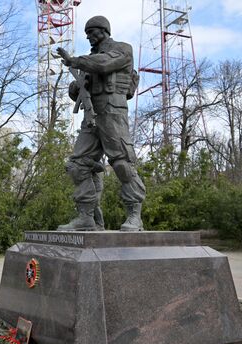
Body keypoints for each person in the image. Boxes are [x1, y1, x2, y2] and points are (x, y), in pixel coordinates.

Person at [56, 15, 145, 231]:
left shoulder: (122, 49)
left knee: (122, 162)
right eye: (87, 34)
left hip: (112, 111)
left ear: (104, 30)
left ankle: (135, 215)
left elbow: (105, 65)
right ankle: (87, 217)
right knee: (78, 164)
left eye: (92, 33)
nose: (89, 38)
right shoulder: (90, 59)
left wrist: (75, 61)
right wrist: (77, 86)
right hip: (91, 115)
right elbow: (77, 88)